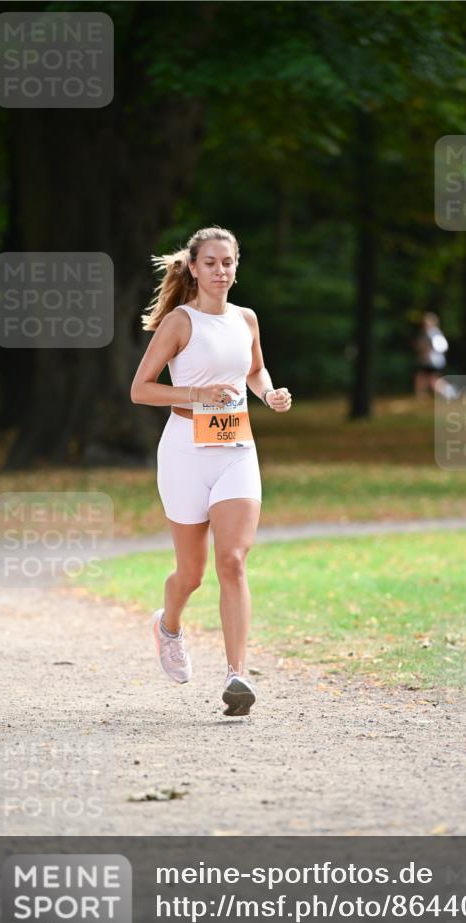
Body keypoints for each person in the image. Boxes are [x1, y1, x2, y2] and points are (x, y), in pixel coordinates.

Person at [130, 226, 292, 716]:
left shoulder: (247, 319)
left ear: (236, 267)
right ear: (194, 269)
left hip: (237, 449)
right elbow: (141, 389)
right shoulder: (180, 323)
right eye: (212, 263)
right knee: (192, 573)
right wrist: (196, 395)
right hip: (184, 452)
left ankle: (237, 674)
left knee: (234, 560)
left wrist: (269, 393)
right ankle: (169, 626)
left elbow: (255, 370)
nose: (221, 271)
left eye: (229, 262)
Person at [413, 312, 458, 400]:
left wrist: (427, 349)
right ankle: (421, 397)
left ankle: (451, 393)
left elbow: (441, 347)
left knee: (432, 381)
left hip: (433, 362)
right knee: (424, 379)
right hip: (430, 361)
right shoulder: (430, 333)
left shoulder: (433, 333)